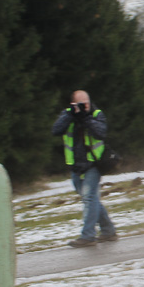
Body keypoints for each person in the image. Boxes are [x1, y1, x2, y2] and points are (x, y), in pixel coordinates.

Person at [51, 90, 117, 248]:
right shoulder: (67, 115)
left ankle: (88, 236)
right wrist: (71, 115)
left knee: (89, 198)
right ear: (72, 104)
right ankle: (109, 231)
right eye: (80, 103)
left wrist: (85, 117)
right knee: (91, 199)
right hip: (75, 165)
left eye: (86, 102)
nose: (84, 106)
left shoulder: (96, 114)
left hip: (93, 164)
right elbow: (56, 130)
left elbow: (100, 133)